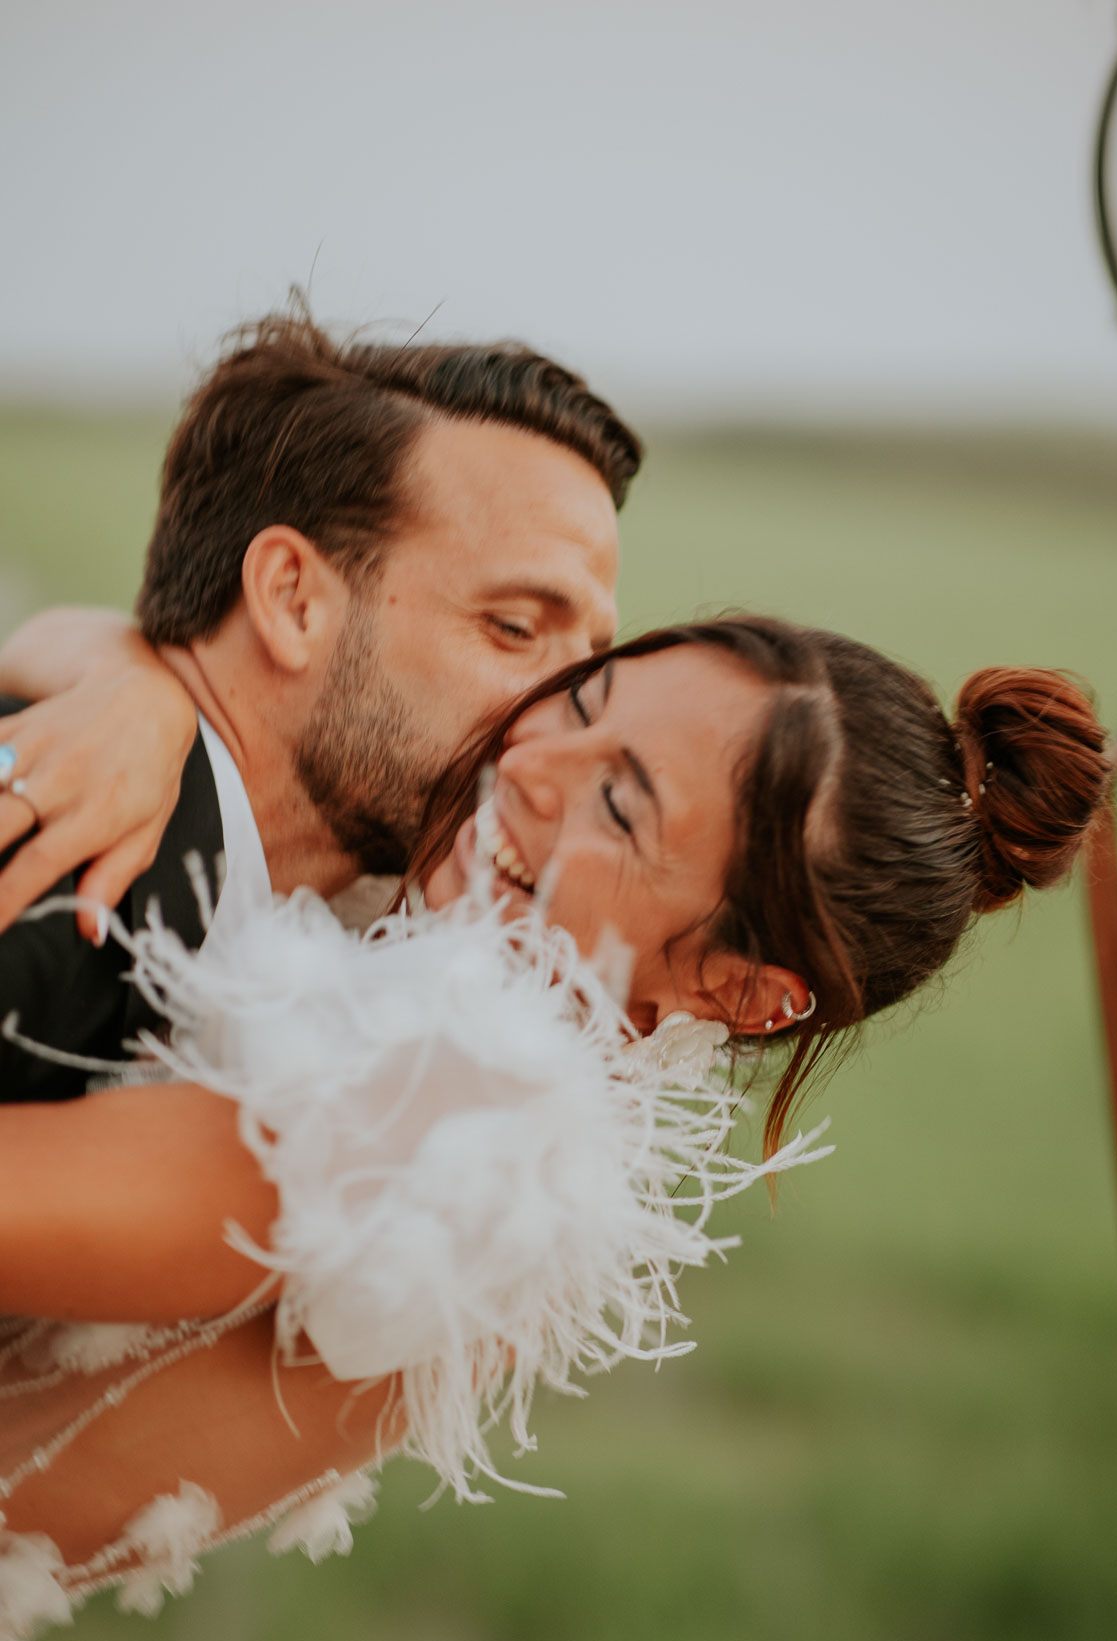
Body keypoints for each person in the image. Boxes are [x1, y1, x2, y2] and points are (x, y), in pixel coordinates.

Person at [0, 615, 1109, 1641]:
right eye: (581, 697)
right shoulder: (446, 942)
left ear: (736, 986)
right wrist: (132, 684)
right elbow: (85, 640)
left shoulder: (440, 1128)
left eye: (620, 802)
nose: (526, 763)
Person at [0, 307, 640, 1096]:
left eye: (589, 671)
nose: (558, 714)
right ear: (294, 600)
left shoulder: (375, 952)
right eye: (513, 628)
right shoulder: (45, 881)